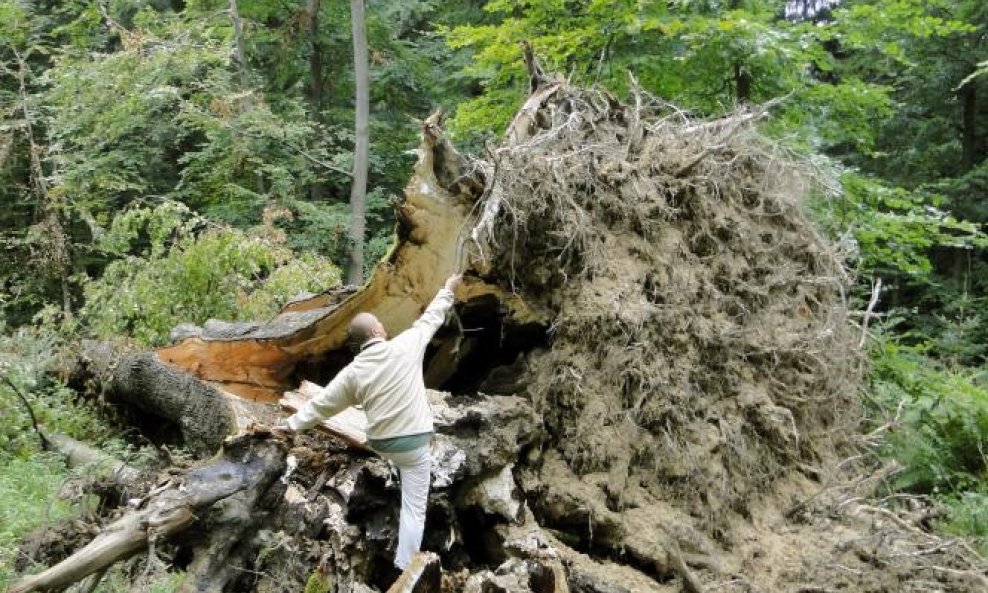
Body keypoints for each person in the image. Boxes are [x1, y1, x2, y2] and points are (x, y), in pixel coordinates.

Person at [279, 274, 462, 570]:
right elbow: (431, 318)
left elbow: (321, 406)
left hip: (382, 444)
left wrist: (289, 426)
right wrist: (448, 289)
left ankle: (392, 473)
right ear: (378, 330)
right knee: (414, 509)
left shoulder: (353, 373)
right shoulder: (405, 346)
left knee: (398, 458)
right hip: (414, 444)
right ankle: (406, 568)